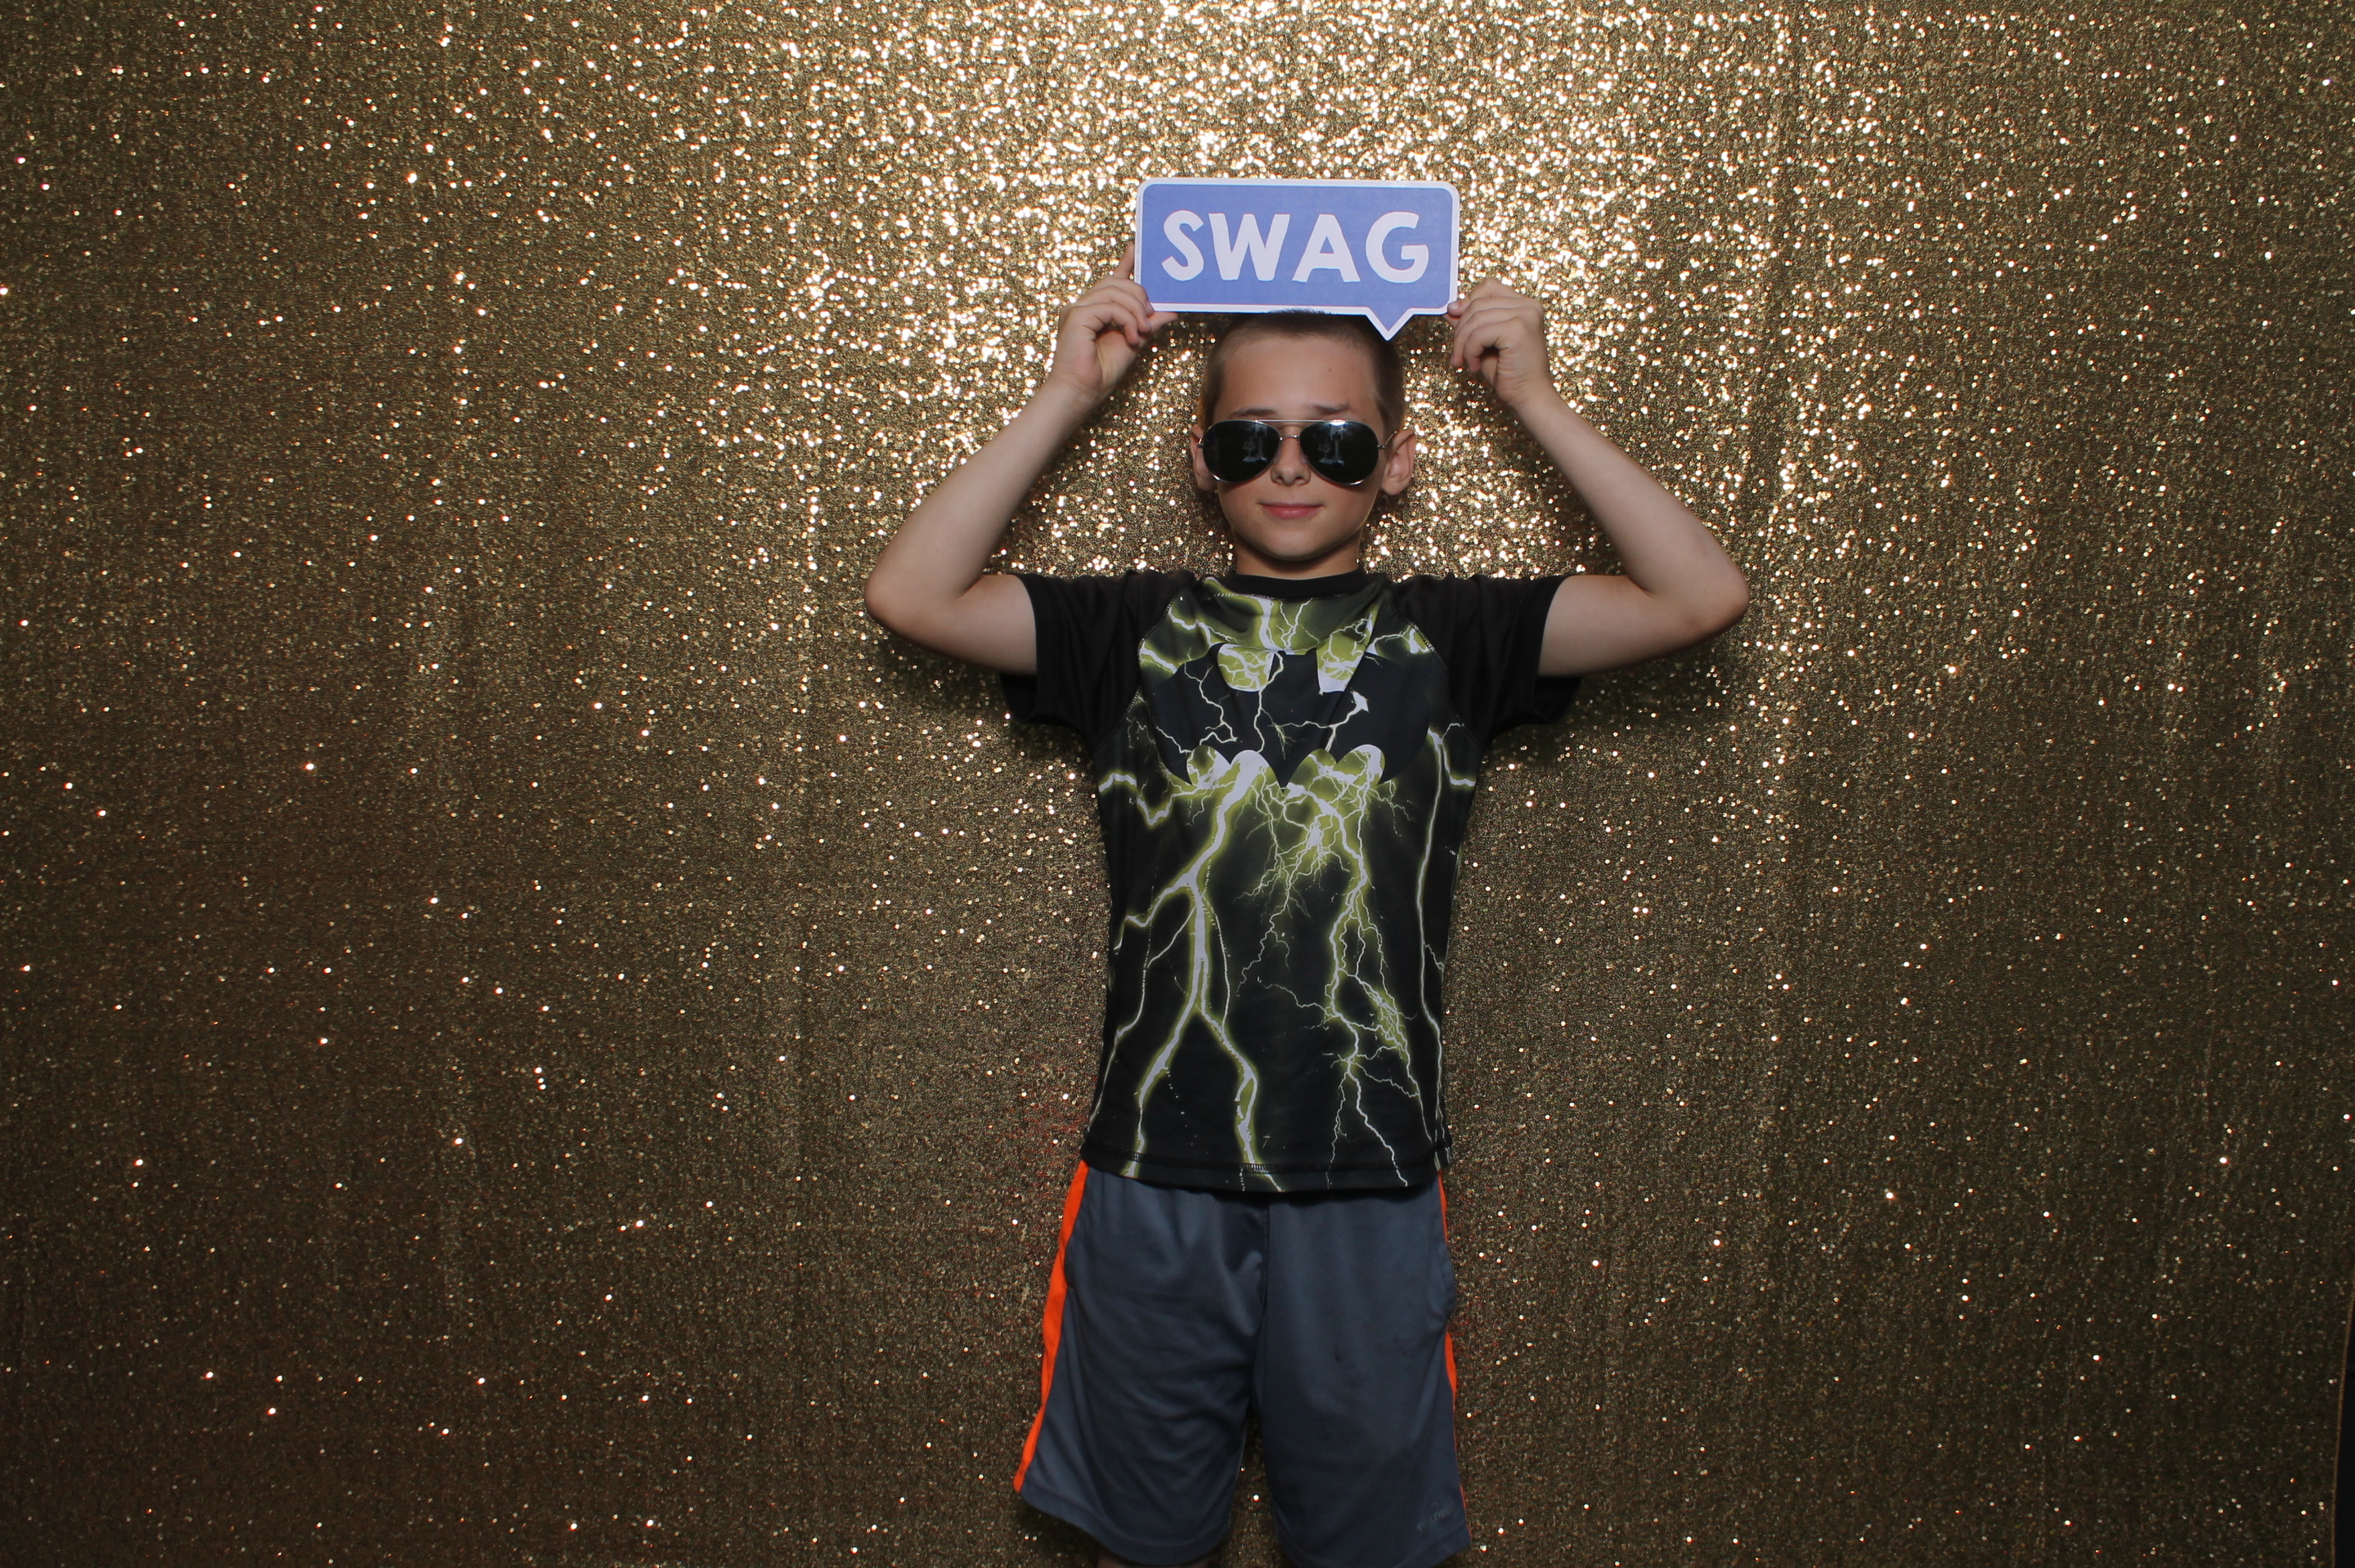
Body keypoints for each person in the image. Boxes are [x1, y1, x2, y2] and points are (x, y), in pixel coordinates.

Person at [863, 247, 1747, 1568]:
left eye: (1336, 439)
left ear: (1396, 463)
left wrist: (1538, 401)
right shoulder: (1130, 632)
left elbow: (1701, 594)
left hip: (1370, 1180)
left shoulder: (1453, 637)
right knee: (1146, 1539)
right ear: (1202, 461)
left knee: (1365, 1544)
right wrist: (1066, 396)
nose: (1292, 466)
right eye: (1250, 438)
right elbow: (910, 594)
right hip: (1154, 1173)